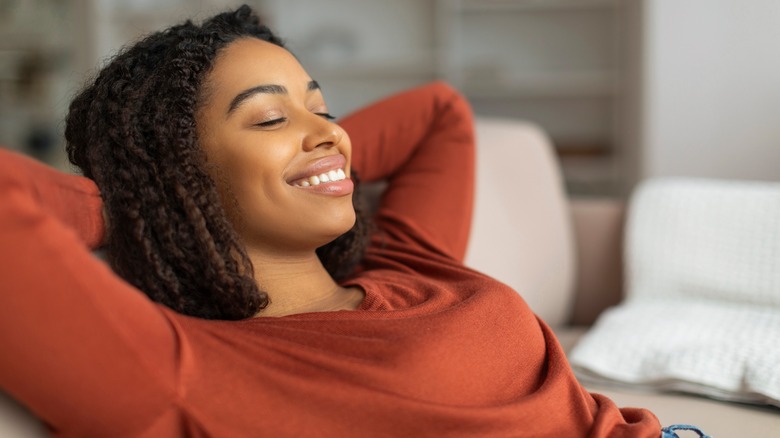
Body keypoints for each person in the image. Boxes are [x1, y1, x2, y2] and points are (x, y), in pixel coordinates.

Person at [0, 5, 706, 437]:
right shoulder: (181, 370)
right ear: (178, 176)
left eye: (323, 108)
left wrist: (297, 145)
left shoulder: (405, 264)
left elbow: (438, 112)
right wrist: (130, 196)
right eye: (272, 117)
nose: (331, 134)